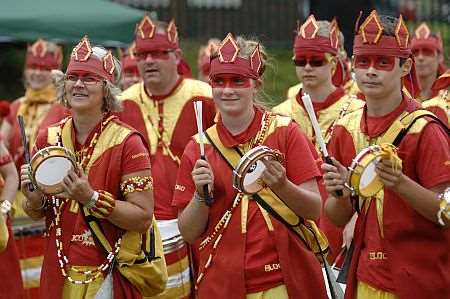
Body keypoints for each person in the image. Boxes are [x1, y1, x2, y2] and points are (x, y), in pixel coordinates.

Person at [173, 33, 328, 299]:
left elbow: (314, 208)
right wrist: (200, 195)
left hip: (282, 281)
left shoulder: (285, 132)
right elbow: (188, 232)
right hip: (222, 284)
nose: (228, 89)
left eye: (238, 80)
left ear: (257, 84)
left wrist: (281, 185)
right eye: (219, 81)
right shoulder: (198, 146)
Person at [20, 36, 161, 298]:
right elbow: (40, 212)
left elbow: (142, 217)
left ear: (107, 89)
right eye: (73, 77)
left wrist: (91, 198)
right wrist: (33, 199)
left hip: (108, 275)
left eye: (89, 78)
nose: (78, 84)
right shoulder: (47, 139)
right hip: (57, 272)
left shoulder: (128, 143)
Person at [322, 11, 450, 299]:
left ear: (405, 68)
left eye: (383, 62)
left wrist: (399, 183)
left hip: (421, 280)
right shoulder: (346, 128)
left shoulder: (425, 129)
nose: (370, 71)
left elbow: (447, 211)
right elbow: (335, 216)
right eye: (363, 61)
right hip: (366, 278)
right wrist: (341, 193)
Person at [118, 15, 216, 299]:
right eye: (142, 54)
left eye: (158, 53)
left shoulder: (205, 96)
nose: (149, 61)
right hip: (142, 224)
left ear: (177, 56)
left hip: (199, 220)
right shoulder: (123, 102)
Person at [273, 14, 364, 261]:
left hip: (343, 222)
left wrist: (357, 218)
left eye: (316, 60)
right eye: (300, 61)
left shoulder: (358, 110)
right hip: (295, 224)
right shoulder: (278, 115)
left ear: (334, 62)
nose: (308, 67)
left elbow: (369, 180)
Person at [0, 39, 68, 297]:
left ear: (55, 69)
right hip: (14, 204)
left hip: (45, 201)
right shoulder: (15, 106)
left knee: (43, 276)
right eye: (32, 66)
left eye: (43, 66)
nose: (37, 72)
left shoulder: (64, 108)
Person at [411, 22, 448, 124]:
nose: (420, 57)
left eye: (427, 52)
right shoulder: (398, 93)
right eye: (415, 52)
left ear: (440, 57)